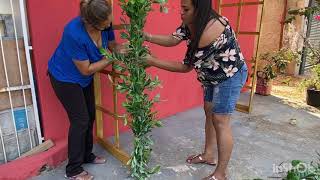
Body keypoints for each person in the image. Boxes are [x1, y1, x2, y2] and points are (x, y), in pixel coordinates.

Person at [144, 0, 248, 179]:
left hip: (229, 76)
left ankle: (221, 174)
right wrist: (148, 36)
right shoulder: (194, 21)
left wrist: (152, 60)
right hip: (211, 74)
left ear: (198, 9)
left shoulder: (206, 34)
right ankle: (209, 155)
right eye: (181, 8)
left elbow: (185, 67)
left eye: (185, 9)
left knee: (220, 121)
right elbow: (174, 38)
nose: (181, 13)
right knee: (209, 112)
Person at [47, 0, 125, 179]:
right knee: (80, 120)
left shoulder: (105, 23)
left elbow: (112, 44)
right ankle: (73, 169)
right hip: (64, 77)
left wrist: (119, 49)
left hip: (83, 79)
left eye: (109, 23)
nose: (109, 26)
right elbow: (86, 69)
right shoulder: (73, 32)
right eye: (105, 24)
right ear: (92, 23)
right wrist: (113, 57)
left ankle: (86, 155)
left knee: (90, 115)